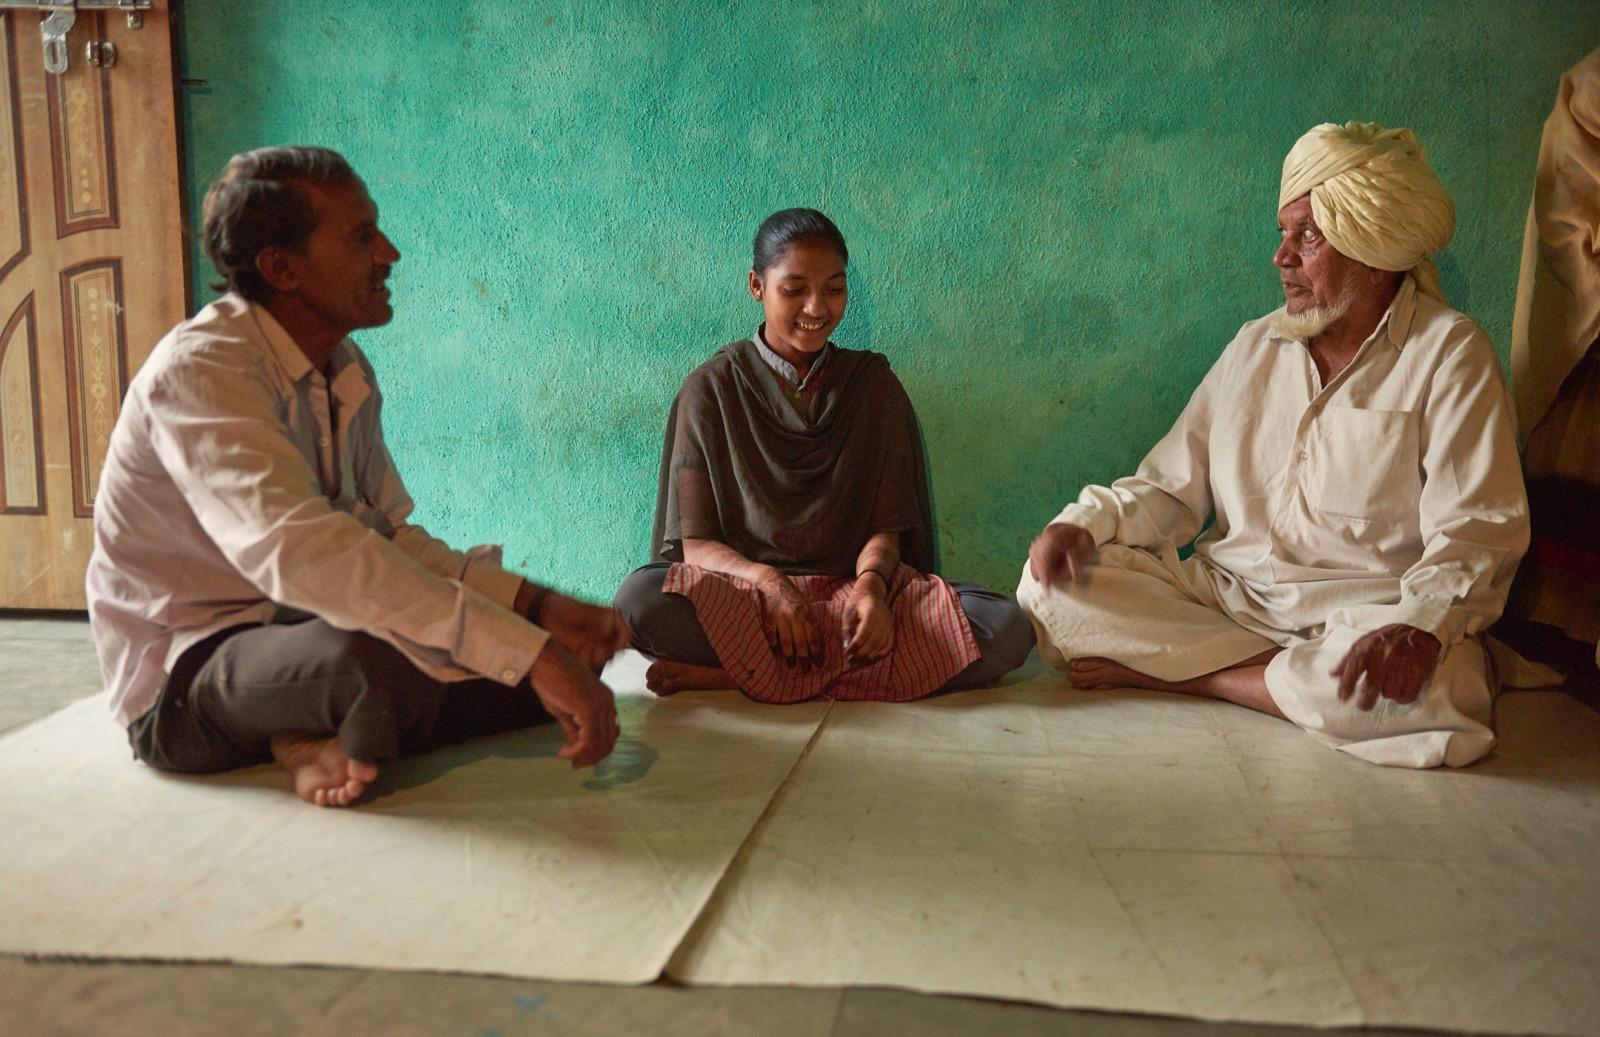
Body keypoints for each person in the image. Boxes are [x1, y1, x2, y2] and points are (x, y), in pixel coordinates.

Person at [88, 146, 630, 807]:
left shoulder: (342, 366)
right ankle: (314, 722)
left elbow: (388, 541)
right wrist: (529, 652)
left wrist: (541, 613)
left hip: (302, 626)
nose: (390, 253)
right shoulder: (203, 371)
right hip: (189, 667)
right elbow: (305, 552)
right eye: (361, 236)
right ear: (282, 267)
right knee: (374, 664)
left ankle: (307, 731)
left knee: (524, 656)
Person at [1017, 122, 1529, 769]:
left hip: (1360, 619)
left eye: (1307, 236)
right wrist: (1084, 526)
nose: (1281, 257)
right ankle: (1285, 682)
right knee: (1050, 591)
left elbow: (1476, 530)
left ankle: (1201, 678)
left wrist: (1420, 626)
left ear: (1374, 250)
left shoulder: (1450, 354)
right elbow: (1169, 486)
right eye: (1282, 234)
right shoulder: (1255, 345)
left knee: (1437, 695)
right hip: (1229, 602)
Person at [615, 209, 1033, 703]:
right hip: (747, 596)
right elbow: (696, 545)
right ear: (756, 285)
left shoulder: (873, 387)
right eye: (794, 289)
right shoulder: (709, 390)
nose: (817, 308)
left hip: (851, 593)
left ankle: (739, 674)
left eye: (833, 288)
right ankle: (816, 672)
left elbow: (888, 528)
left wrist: (872, 589)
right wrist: (770, 584)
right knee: (639, 602)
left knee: (1005, 626)